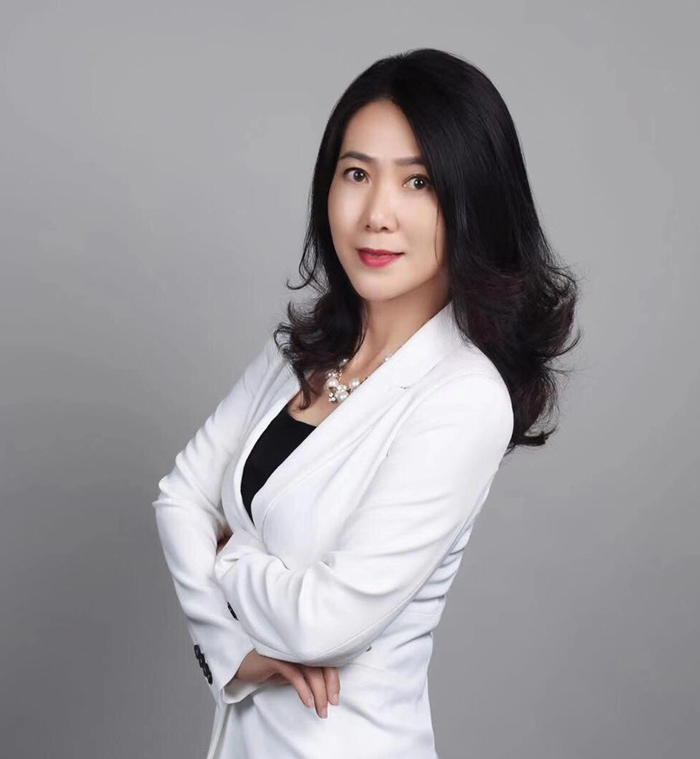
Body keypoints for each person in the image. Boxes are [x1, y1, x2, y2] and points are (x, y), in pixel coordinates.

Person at [151, 47, 581, 759]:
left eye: (419, 182)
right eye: (356, 174)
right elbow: (178, 499)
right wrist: (231, 652)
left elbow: (324, 623)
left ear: (472, 202)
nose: (377, 214)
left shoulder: (464, 397)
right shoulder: (299, 354)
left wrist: (226, 555)